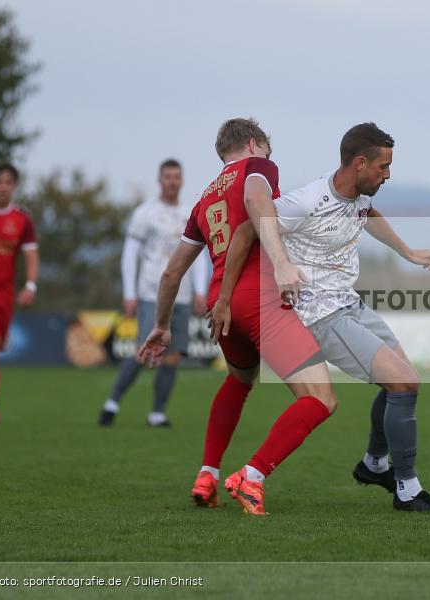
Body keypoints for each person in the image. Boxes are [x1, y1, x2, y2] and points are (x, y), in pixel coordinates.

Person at [211, 122, 430, 512]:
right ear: (360, 163)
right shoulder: (305, 202)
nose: (388, 175)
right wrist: (226, 297)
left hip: (350, 304)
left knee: (406, 383)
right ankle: (407, 491)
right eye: (383, 167)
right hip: (320, 314)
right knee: (403, 384)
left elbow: (367, 212)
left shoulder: (357, 193)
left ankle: (374, 465)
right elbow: (245, 231)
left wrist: (407, 252)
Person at [138, 118, 338, 516]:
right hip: (258, 296)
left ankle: (207, 474)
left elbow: (171, 272)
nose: (270, 158)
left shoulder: (203, 201)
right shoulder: (257, 167)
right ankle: (253, 475)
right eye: (267, 149)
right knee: (321, 399)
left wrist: (160, 325)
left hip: (222, 304)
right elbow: (255, 201)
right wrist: (280, 263)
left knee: (240, 379)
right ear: (253, 143)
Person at [98, 159, 208, 427]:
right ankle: (112, 403)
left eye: (176, 177)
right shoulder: (145, 213)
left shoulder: (190, 212)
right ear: (160, 180)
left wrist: (200, 291)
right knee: (144, 350)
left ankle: (157, 413)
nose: (172, 181)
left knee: (171, 357)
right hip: (151, 293)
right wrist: (129, 292)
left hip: (181, 295)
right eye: (167, 176)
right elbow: (130, 254)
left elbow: (200, 254)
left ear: (182, 180)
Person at [0, 163, 39, 425]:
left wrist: (31, 285)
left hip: (4, 293)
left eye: (8, 182)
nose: (3, 187)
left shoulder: (22, 219)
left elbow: (31, 254)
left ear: (14, 186)